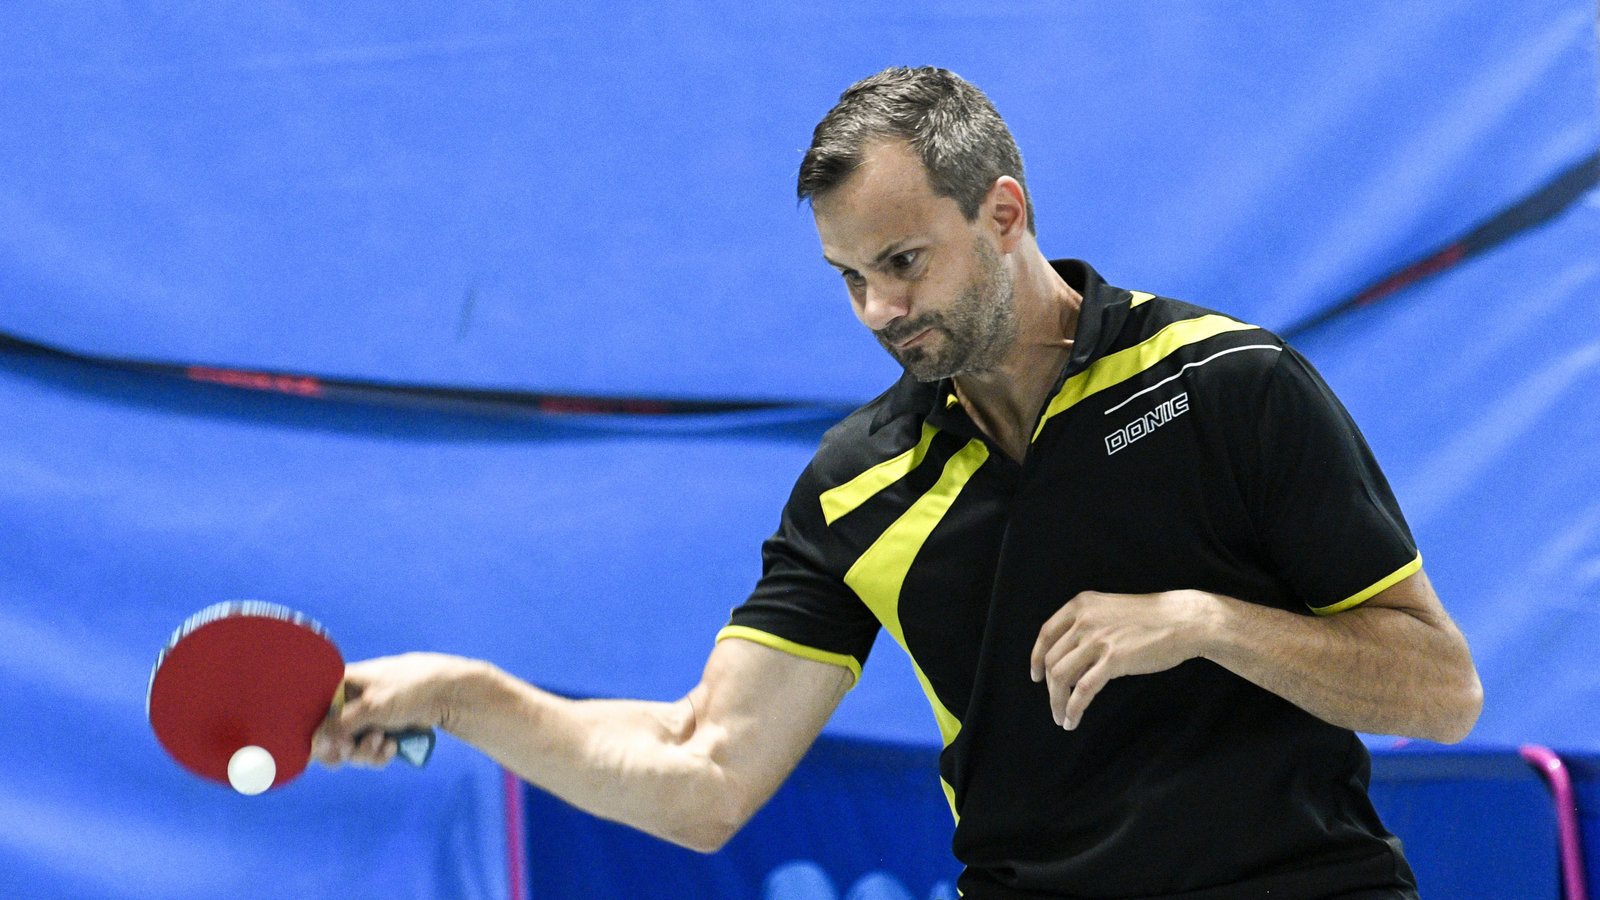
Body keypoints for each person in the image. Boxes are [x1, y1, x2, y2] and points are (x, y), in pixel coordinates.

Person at [315, 67, 1482, 898]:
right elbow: (700, 770)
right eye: (849, 278)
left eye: (903, 262)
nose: (880, 311)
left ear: (1004, 212)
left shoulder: (1224, 384)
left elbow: (1440, 691)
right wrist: (464, 696)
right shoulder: (855, 483)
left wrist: (1205, 622)